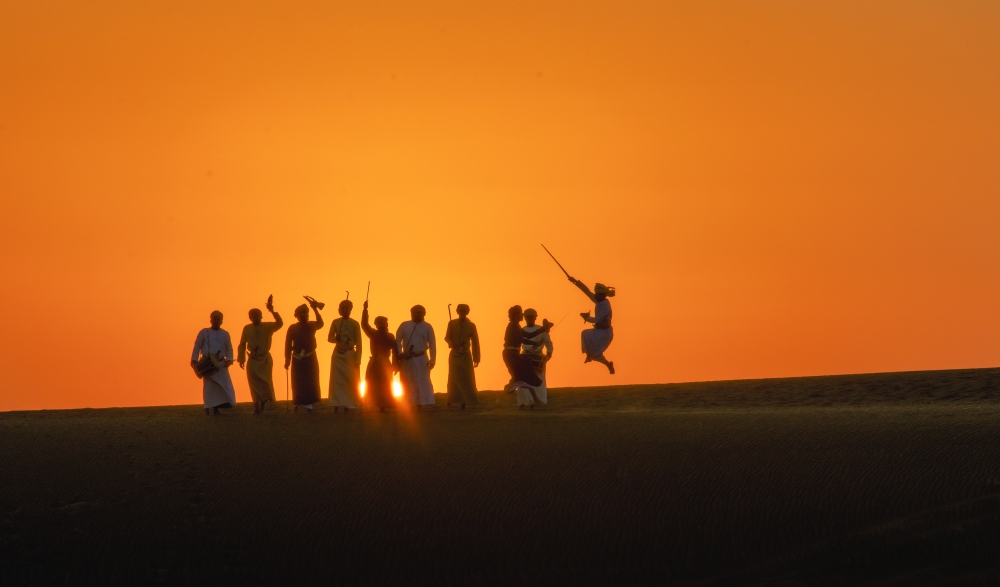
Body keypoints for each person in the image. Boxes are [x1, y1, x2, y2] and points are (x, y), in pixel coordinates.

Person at [236, 297, 284, 415]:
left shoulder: (268, 327)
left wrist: (272, 311)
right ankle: (256, 406)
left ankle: (263, 405)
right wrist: (241, 359)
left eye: (257, 315)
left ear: (261, 316)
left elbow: (280, 324)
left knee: (265, 382)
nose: (255, 317)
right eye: (253, 316)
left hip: (265, 359)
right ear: (250, 318)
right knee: (254, 384)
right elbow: (242, 344)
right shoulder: (247, 328)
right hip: (252, 359)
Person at [502, 305, 553, 408]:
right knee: (521, 376)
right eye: (521, 313)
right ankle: (510, 387)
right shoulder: (512, 326)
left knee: (527, 376)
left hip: (515, 355)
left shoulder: (516, 326)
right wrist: (535, 343)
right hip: (511, 355)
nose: (522, 315)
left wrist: (543, 329)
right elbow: (522, 339)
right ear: (517, 315)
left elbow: (528, 335)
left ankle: (535, 399)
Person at [191, 310, 237, 415]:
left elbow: (229, 348)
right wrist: (194, 360)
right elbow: (197, 346)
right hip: (208, 364)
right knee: (209, 388)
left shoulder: (225, 334)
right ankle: (208, 407)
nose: (216, 321)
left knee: (223, 386)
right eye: (214, 319)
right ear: (211, 320)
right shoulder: (204, 332)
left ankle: (218, 408)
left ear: (221, 321)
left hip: (221, 364)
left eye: (218, 319)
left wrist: (229, 360)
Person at [283, 299, 324, 413]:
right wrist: (287, 360)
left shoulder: (311, 325)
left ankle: (309, 404)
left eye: (306, 313)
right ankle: (297, 402)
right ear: (297, 315)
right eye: (302, 313)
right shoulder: (292, 328)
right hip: (297, 358)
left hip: (310, 357)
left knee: (310, 381)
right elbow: (287, 344)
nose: (304, 315)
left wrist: (315, 309)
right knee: (298, 381)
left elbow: (321, 323)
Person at [569, 277, 615, 374]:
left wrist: (586, 318)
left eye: (597, 294)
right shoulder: (599, 300)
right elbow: (587, 292)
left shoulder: (605, 306)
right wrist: (575, 282)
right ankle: (589, 355)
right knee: (584, 334)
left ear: (602, 295)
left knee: (596, 354)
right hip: (598, 331)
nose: (595, 296)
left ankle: (607, 364)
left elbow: (597, 319)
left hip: (605, 333)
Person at [396, 305, 437, 410]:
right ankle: (409, 404)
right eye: (415, 312)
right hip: (407, 359)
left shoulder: (428, 327)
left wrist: (432, 360)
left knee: (422, 380)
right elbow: (398, 340)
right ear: (411, 313)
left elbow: (432, 344)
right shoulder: (404, 325)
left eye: (420, 312)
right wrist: (400, 353)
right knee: (408, 381)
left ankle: (421, 404)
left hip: (422, 358)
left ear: (424, 314)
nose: (418, 314)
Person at [360, 300, 398, 412]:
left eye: (383, 322)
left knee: (386, 385)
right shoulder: (373, 333)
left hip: (386, 362)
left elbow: (395, 351)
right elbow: (364, 324)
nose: (381, 324)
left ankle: (384, 405)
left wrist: (396, 365)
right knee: (372, 385)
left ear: (387, 324)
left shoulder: (390, 336)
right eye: (379, 322)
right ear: (376, 324)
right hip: (375, 362)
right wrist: (365, 310)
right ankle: (373, 405)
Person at [328, 299, 363, 412]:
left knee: (350, 380)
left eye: (347, 308)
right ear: (339, 310)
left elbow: (359, 343)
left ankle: (349, 404)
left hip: (350, 355)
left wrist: (357, 359)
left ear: (351, 310)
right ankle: (336, 404)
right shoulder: (335, 322)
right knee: (336, 381)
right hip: (337, 355)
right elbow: (329, 338)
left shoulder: (355, 323)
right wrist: (335, 339)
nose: (345, 310)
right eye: (342, 308)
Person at [444, 304, 480, 409]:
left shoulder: (471, 326)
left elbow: (475, 342)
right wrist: (451, 344)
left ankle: (465, 400)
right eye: (460, 311)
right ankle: (451, 399)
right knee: (453, 377)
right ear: (457, 311)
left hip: (466, 355)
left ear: (467, 312)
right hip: (454, 354)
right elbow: (447, 337)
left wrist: (476, 358)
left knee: (466, 377)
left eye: (464, 311)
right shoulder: (451, 323)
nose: (462, 313)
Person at [520, 308, 553, 407]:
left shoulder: (541, 330)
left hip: (538, 358)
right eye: (528, 317)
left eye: (531, 317)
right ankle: (525, 402)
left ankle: (541, 401)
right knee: (524, 379)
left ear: (535, 317)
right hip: (525, 356)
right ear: (524, 318)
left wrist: (549, 354)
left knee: (539, 379)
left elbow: (548, 343)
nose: (530, 318)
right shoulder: (522, 330)